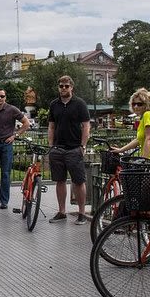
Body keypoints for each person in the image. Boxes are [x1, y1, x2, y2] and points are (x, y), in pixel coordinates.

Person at [46, 76, 91, 224]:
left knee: (78, 181)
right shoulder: (54, 104)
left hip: (74, 148)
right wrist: (51, 145)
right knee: (60, 181)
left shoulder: (79, 104)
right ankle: (61, 211)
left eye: (66, 86)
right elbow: (51, 126)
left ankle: (82, 213)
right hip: (58, 148)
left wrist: (83, 146)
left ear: (72, 87)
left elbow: (86, 126)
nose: (63, 88)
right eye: (61, 86)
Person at [112, 88, 150, 160]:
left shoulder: (148, 115)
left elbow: (149, 138)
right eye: (134, 104)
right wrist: (121, 150)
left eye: (139, 104)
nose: (136, 107)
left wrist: (144, 160)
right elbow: (138, 140)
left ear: (147, 104)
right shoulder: (146, 116)